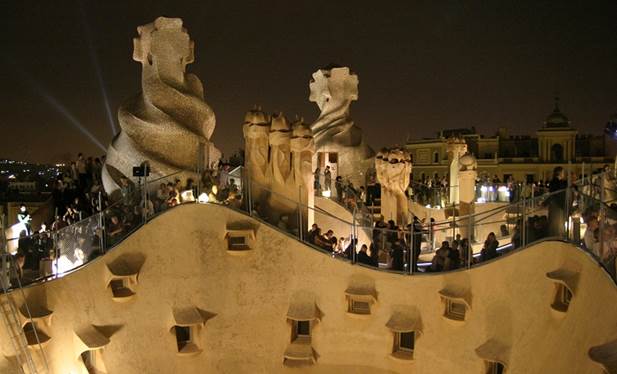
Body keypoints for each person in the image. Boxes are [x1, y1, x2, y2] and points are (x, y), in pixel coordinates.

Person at [547, 166, 567, 237]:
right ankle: (556, 237)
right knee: (557, 223)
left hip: (556, 205)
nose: (564, 174)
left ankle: (556, 236)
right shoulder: (557, 182)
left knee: (556, 223)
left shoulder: (557, 181)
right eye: (563, 172)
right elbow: (554, 193)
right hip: (557, 205)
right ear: (559, 173)